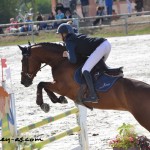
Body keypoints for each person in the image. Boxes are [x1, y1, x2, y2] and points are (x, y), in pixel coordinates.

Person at [56, 23, 111, 103]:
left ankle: (93, 96)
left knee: (85, 70)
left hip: (101, 47)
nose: (60, 37)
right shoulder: (75, 37)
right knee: (95, 68)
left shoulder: (69, 41)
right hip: (106, 44)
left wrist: (67, 54)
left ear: (64, 34)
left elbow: (73, 60)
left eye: (60, 34)